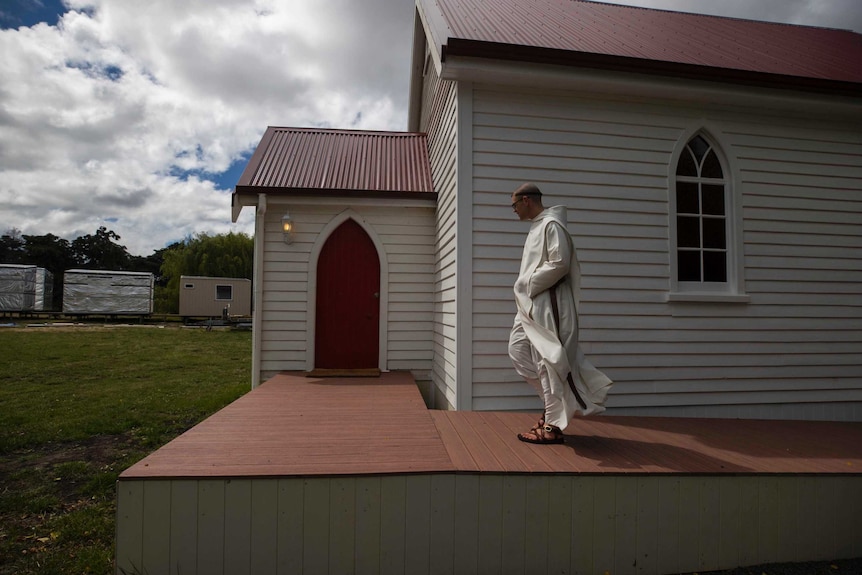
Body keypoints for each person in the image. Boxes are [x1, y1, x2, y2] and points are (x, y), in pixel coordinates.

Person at [508, 183, 613, 444]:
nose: (513, 210)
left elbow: (560, 263)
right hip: (531, 303)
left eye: (514, 205)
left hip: (549, 302)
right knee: (518, 350)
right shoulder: (539, 225)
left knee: (548, 359)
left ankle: (552, 427)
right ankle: (556, 407)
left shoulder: (552, 225)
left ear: (527, 200)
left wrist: (527, 284)